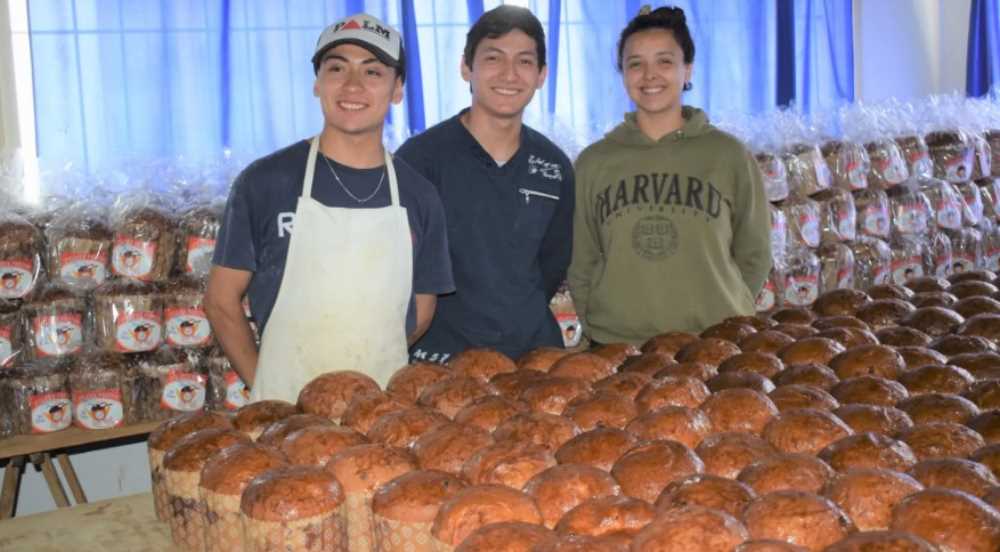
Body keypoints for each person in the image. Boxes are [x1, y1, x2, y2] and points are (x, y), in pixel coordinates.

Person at [205, 13, 454, 402]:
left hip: (382, 409)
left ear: (398, 89)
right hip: (286, 409)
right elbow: (221, 301)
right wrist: (269, 388)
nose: (352, 85)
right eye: (337, 68)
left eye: (373, 72)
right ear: (317, 84)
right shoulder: (264, 182)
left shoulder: (419, 195)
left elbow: (421, 312)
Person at [567, 5, 771, 346]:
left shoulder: (728, 155)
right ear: (623, 74)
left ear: (687, 69)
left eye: (664, 61)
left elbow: (755, 253)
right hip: (618, 347)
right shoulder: (593, 162)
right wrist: (603, 325)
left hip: (713, 345)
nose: (650, 75)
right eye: (636, 64)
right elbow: (581, 261)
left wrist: (724, 314)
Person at [396, 5, 574, 363]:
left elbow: (553, 264)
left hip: (534, 358)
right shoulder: (419, 160)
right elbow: (399, 270)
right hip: (440, 361)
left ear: (542, 75)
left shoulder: (554, 167)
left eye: (524, 62)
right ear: (466, 67)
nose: (509, 74)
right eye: (493, 58)